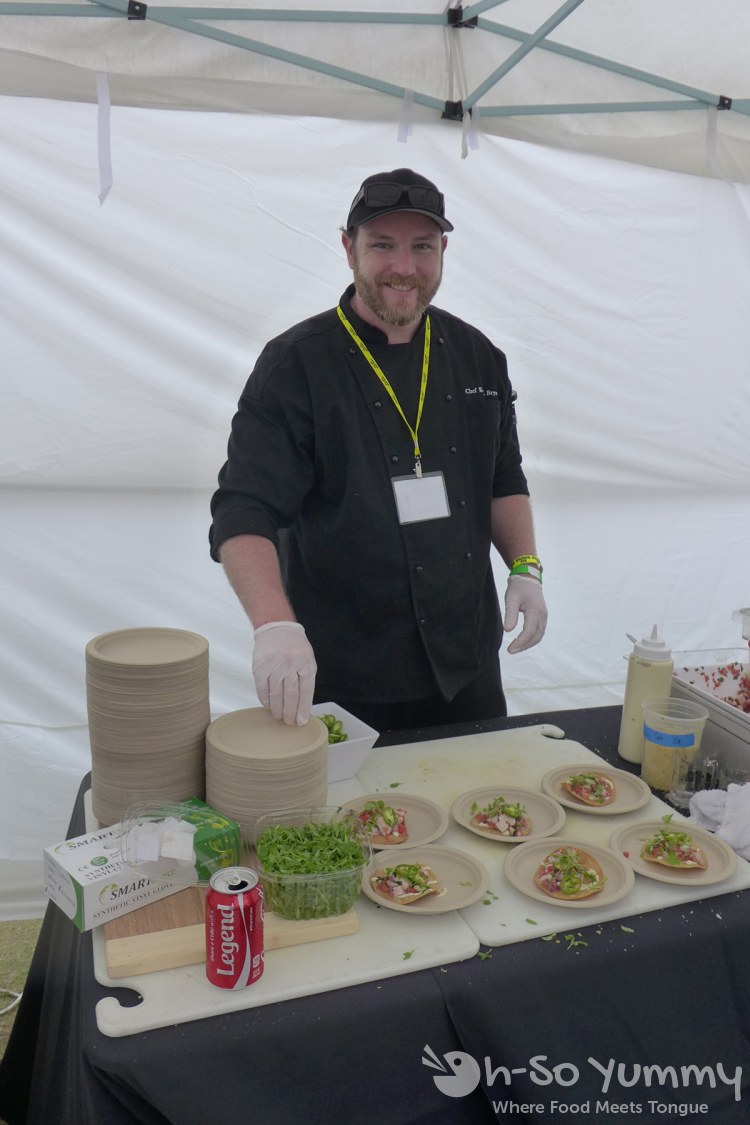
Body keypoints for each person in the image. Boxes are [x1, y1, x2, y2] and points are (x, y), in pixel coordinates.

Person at [209, 167, 547, 731]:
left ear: (444, 250)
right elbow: (243, 511)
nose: (404, 267)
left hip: (466, 667)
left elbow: (503, 478)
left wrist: (526, 568)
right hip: (345, 673)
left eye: (422, 247)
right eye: (382, 245)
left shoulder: (478, 356)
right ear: (348, 249)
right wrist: (273, 625)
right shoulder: (296, 365)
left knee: (480, 807)